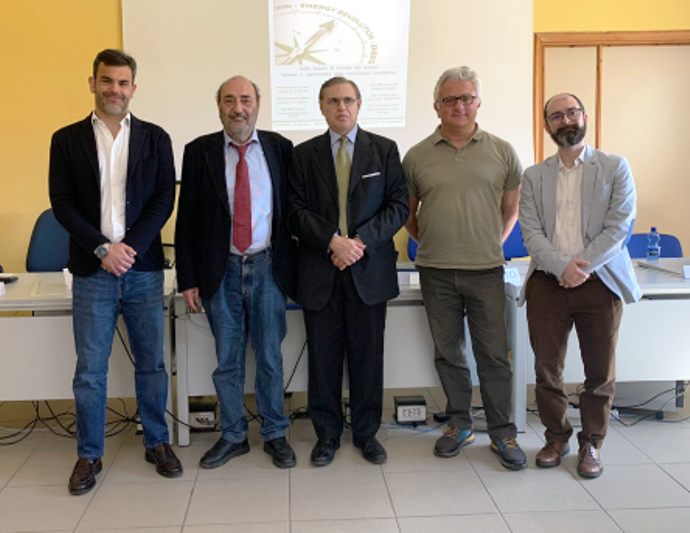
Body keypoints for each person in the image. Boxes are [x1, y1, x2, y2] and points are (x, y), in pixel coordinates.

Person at [49, 49, 181, 495]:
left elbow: (163, 199)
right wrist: (103, 249)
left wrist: (129, 249)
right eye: (107, 81)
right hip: (92, 270)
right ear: (93, 83)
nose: (114, 90)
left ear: (133, 88)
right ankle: (89, 454)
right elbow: (62, 204)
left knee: (152, 364)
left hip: (142, 269)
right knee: (90, 369)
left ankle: (157, 442)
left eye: (123, 83)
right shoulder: (66, 139)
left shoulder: (156, 138)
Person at [403, 66, 527, 470]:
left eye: (467, 98)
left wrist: (491, 242)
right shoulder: (417, 156)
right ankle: (459, 424)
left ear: (478, 103)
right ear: (436, 106)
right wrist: (433, 241)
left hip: (486, 270)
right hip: (435, 270)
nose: (459, 105)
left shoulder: (503, 151)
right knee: (449, 353)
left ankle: (502, 432)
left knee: (493, 356)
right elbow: (409, 215)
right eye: (450, 99)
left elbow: (511, 209)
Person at [175, 76, 296, 469]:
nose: (238, 108)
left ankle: (275, 433)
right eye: (230, 100)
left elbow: (292, 213)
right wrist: (187, 278)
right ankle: (233, 435)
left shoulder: (281, 148)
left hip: (268, 267)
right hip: (219, 270)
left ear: (258, 104)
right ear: (219, 107)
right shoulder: (199, 151)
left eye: (245, 100)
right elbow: (187, 219)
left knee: (270, 358)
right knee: (227, 360)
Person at [288, 77, 409, 466]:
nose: (341, 107)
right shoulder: (302, 155)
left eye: (348, 100)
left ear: (359, 105)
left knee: (367, 358)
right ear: (321, 107)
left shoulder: (384, 150)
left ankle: (366, 433)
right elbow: (294, 211)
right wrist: (332, 242)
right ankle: (326, 435)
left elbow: (399, 206)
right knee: (323, 360)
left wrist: (357, 243)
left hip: (368, 270)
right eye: (333, 101)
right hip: (320, 271)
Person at [519, 93, 641, 478]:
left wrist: (580, 267)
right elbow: (530, 233)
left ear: (584, 117)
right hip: (547, 283)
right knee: (546, 369)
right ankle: (556, 437)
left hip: (599, 282)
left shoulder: (615, 167)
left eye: (571, 112)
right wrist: (561, 267)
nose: (566, 120)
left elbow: (620, 227)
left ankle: (592, 442)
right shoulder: (533, 176)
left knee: (599, 371)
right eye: (556, 116)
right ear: (547, 126)